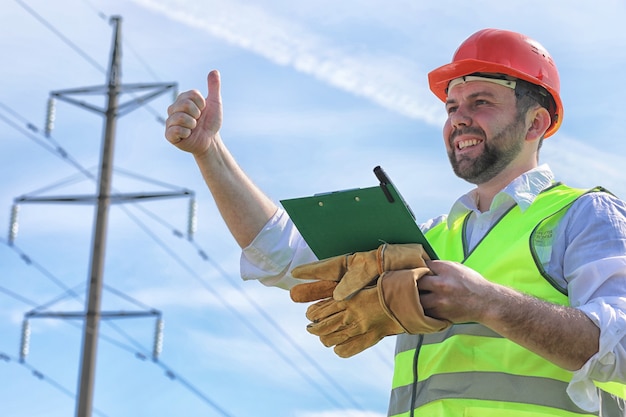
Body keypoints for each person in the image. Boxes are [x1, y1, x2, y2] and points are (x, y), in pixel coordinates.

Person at [165, 28, 626, 416]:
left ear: (535, 123)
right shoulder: (427, 238)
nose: (459, 119)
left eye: (480, 102)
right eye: (451, 107)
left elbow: (621, 353)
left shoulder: (584, 215)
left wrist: (490, 303)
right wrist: (210, 152)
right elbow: (279, 251)